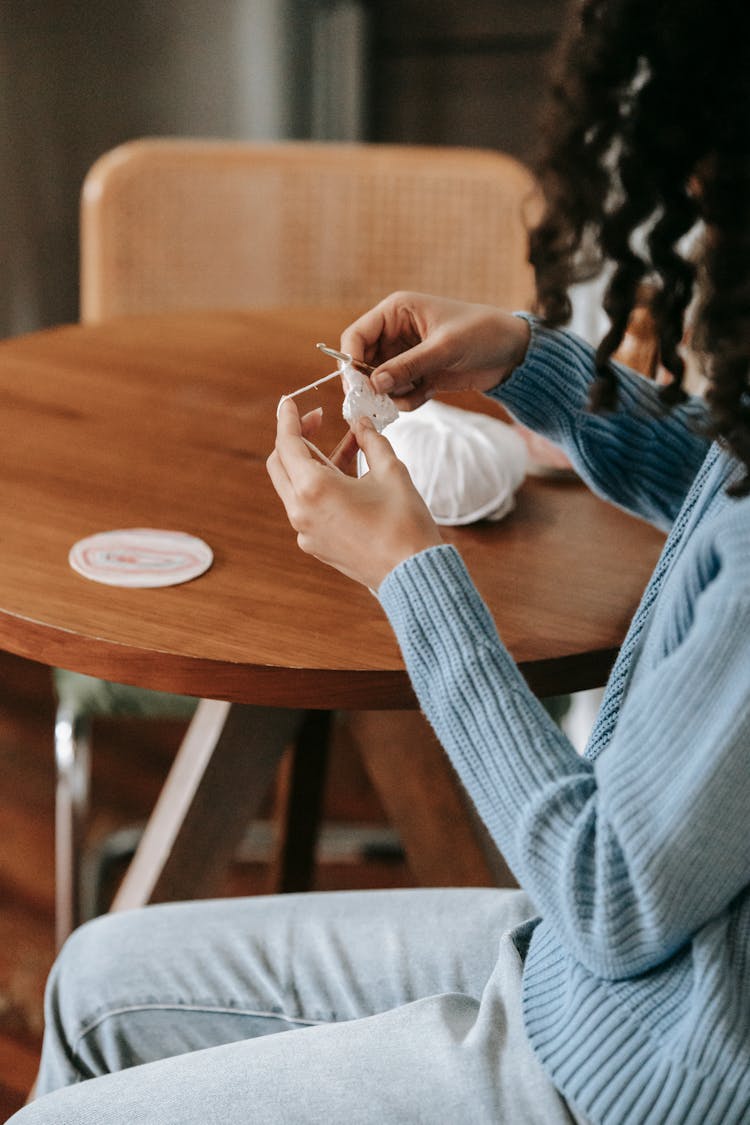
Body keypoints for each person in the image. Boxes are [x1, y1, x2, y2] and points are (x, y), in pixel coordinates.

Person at [12, 0, 750, 1121]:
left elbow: (608, 891)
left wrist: (412, 575)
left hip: (635, 1073)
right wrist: (528, 358)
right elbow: (720, 487)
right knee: (91, 987)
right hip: (601, 988)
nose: (685, 222)